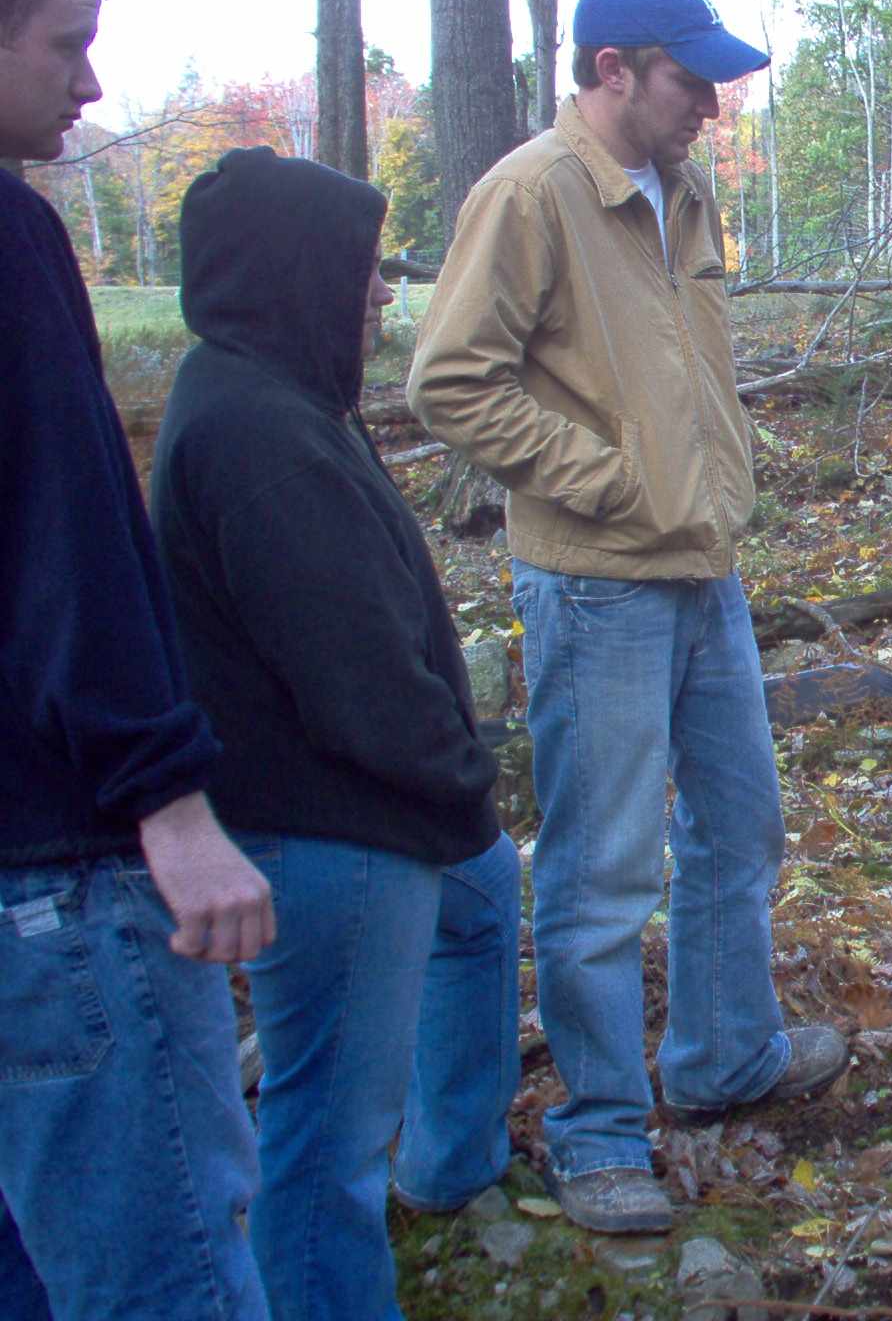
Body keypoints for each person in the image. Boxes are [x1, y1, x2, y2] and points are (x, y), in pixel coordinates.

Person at [408, 0, 848, 1235]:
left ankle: (722, 1057)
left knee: (741, 827)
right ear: (613, 70)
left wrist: (709, 483)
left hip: (705, 566)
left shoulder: (682, 188)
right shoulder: (531, 194)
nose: (710, 102)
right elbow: (452, 379)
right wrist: (606, 480)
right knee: (602, 871)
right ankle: (596, 1132)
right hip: (597, 584)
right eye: (688, 78)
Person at [150, 147, 521, 1319]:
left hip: (373, 809)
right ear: (293, 271)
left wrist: (459, 803)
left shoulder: (276, 396)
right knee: (324, 1145)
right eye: (361, 270)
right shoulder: (260, 438)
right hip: (335, 832)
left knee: (483, 901)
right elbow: (354, 675)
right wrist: (456, 779)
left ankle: (453, 1164)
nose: (380, 295)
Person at [0, 0, 274, 1321]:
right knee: (164, 1277)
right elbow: (67, 537)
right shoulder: (10, 236)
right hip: (62, 878)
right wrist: (168, 803)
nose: (93, 84)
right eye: (66, 42)